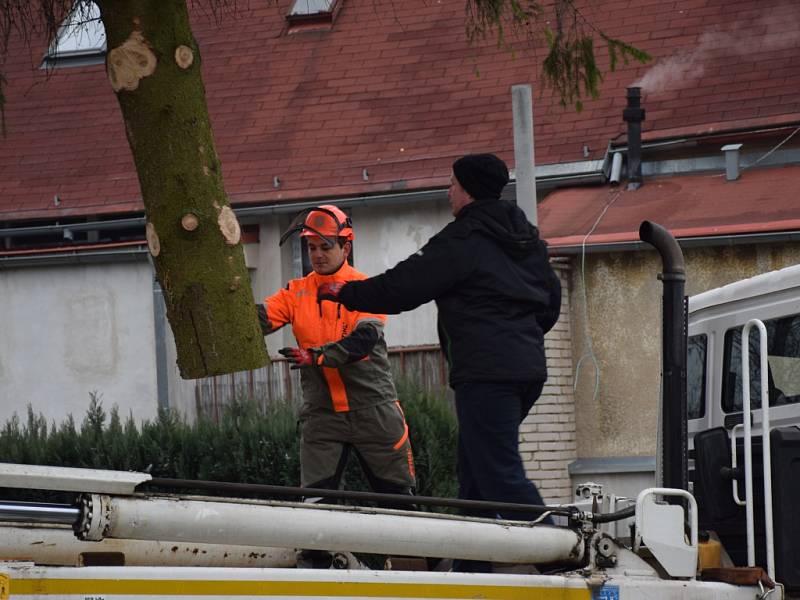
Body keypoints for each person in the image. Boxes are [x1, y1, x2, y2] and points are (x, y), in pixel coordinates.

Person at [318, 154, 562, 572]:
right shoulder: (525, 240)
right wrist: (520, 340)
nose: (447, 191)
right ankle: (472, 571)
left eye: (451, 184)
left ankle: (563, 555)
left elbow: (405, 285)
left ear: (467, 189)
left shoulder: (466, 238)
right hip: (526, 370)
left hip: (487, 374)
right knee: (475, 472)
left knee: (500, 474)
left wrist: (348, 294)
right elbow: (551, 301)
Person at [257, 204, 416, 567]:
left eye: (325, 246)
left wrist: (316, 357)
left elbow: (362, 343)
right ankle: (314, 569)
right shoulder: (296, 293)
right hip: (323, 415)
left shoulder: (365, 289)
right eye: (311, 247)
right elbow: (262, 318)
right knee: (315, 501)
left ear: (346, 247)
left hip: (374, 412)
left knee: (400, 500)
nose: (317, 254)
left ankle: (430, 566)